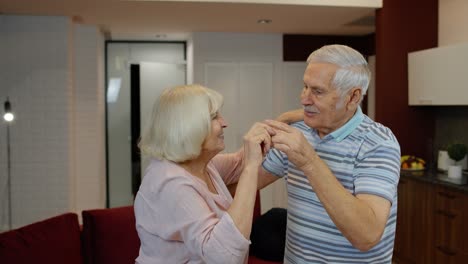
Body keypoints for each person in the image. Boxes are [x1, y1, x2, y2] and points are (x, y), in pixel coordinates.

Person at [258, 44, 401, 263]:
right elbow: (243, 182)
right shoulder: (299, 130)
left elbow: (367, 236)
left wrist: (309, 161)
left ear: (353, 97)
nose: (304, 98)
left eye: (317, 91)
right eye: (305, 87)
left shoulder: (378, 143)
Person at [133, 84, 274, 264]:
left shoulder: (201, 164)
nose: (224, 123)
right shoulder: (171, 183)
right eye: (214, 117)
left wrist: (284, 122)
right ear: (188, 126)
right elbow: (224, 257)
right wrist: (251, 167)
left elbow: (242, 161)